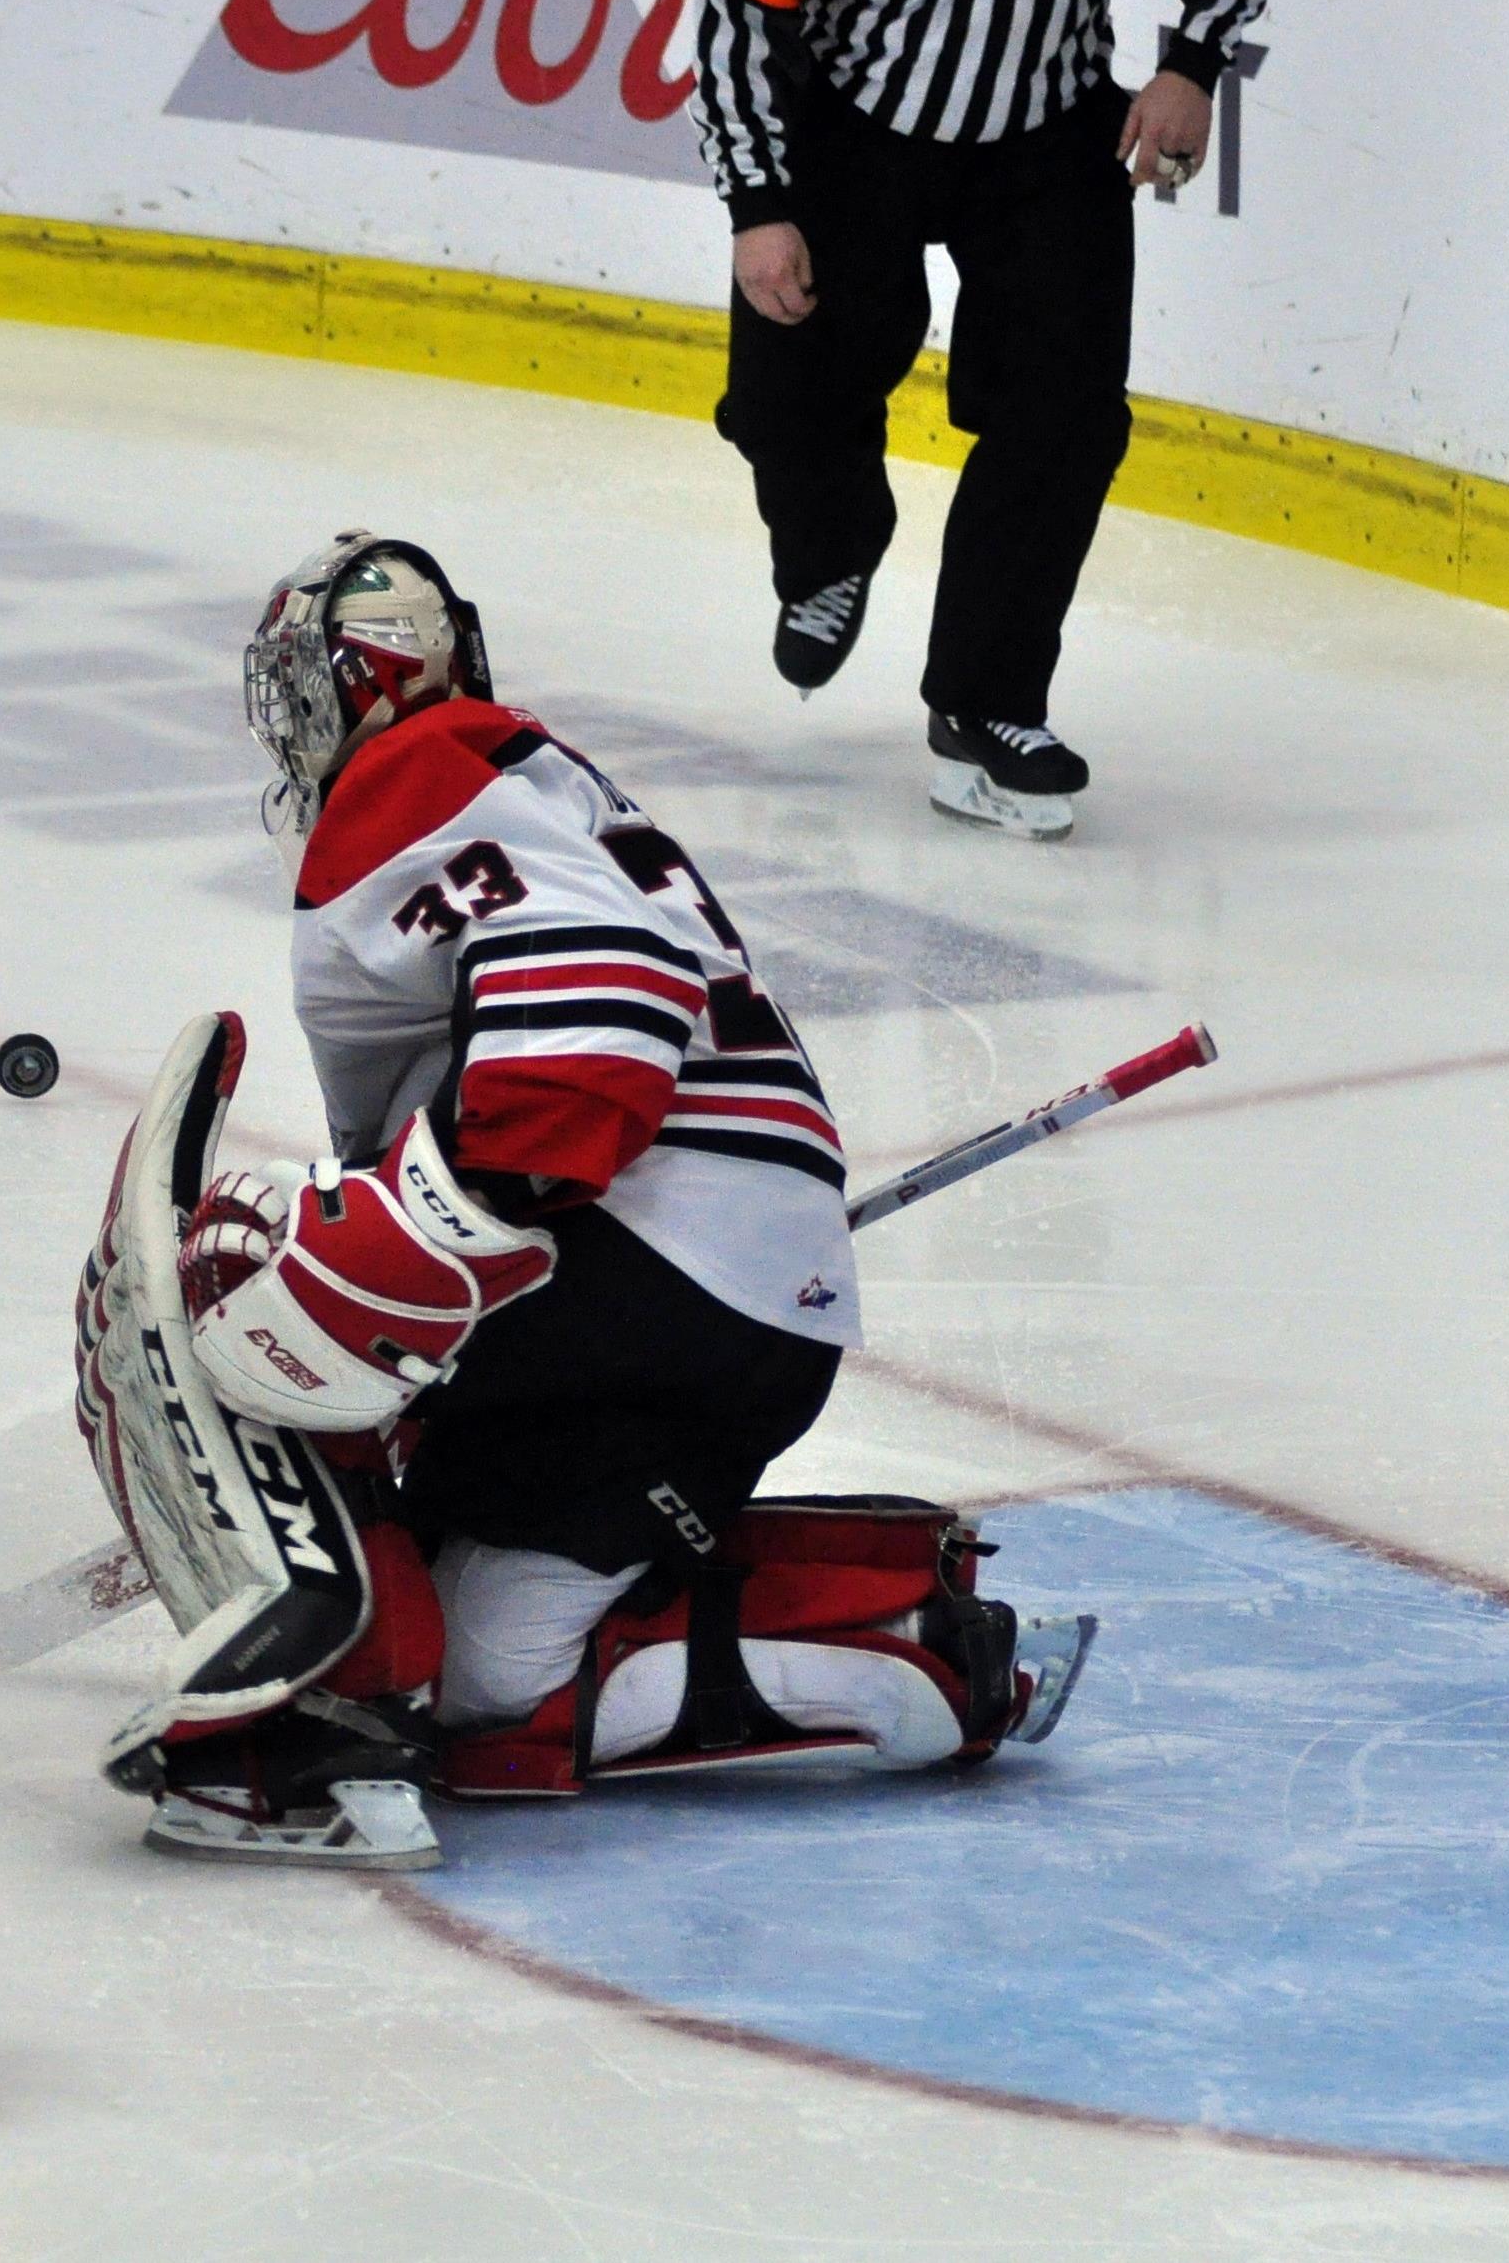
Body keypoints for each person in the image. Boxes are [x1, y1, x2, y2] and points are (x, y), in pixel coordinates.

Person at [114, 533, 1093, 1872]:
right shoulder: (513, 774)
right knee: (481, 1679)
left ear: (366, 681)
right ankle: (922, 1647)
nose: (294, 724)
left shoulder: (411, 770)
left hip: (637, 1265)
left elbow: (606, 976)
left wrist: (463, 1210)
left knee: (255, 1290)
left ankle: (307, 1682)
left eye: (304, 687)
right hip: (730, 1313)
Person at [694, 0, 1290, 842]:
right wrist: (760, 205)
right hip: (853, 128)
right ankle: (829, 545)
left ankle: (985, 699)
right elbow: (737, 16)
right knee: (787, 383)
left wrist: (1192, 65)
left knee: (1065, 416)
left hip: (1047, 134)